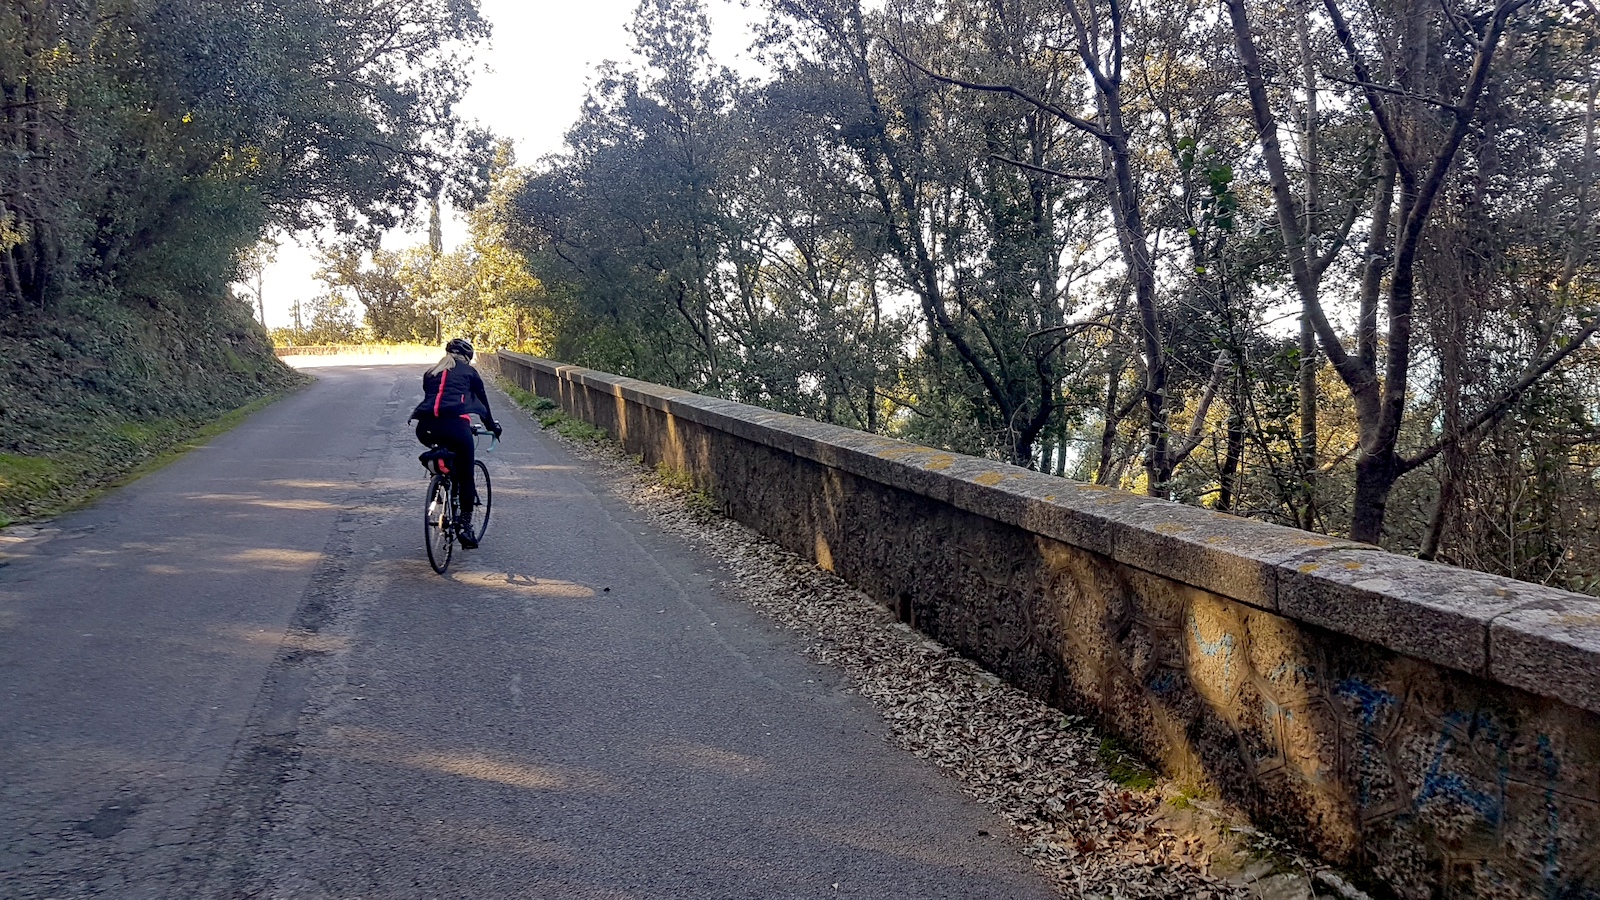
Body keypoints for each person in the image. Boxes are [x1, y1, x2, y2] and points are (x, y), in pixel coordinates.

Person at [411, 338, 502, 548]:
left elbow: (436, 402)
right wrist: (493, 427)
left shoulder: (431, 372)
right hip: (456, 427)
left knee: (442, 448)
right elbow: (483, 404)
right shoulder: (469, 373)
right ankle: (465, 526)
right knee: (466, 474)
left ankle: (438, 479)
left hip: (425, 428)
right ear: (467, 358)